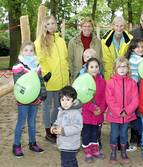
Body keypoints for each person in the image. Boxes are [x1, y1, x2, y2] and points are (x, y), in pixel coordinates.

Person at [35, 15, 69, 143]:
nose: (51, 26)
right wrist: (45, 73)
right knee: (47, 107)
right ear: (44, 26)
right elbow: (39, 60)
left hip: (61, 80)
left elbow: (64, 59)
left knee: (58, 107)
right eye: (48, 24)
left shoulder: (60, 40)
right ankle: (48, 131)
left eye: (53, 23)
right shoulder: (39, 42)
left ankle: (54, 129)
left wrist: (66, 74)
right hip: (49, 80)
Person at [12, 41, 46, 157]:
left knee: (32, 122)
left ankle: (32, 143)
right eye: (26, 50)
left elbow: (40, 81)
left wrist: (43, 93)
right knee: (21, 123)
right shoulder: (18, 66)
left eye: (31, 50)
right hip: (23, 100)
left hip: (35, 99)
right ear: (22, 51)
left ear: (34, 52)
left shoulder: (37, 66)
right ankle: (16, 145)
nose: (28, 53)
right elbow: (19, 83)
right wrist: (24, 96)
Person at [105, 57, 139, 164]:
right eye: (119, 66)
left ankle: (124, 152)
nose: (122, 69)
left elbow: (135, 99)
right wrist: (119, 111)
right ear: (115, 68)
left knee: (124, 134)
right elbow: (109, 99)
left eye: (124, 66)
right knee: (114, 134)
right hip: (115, 115)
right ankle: (113, 152)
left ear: (128, 68)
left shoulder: (132, 83)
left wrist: (127, 111)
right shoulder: (110, 83)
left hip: (127, 116)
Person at [81, 58, 107, 163]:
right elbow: (82, 98)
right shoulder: (83, 82)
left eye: (96, 67)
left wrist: (101, 109)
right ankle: (87, 151)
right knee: (86, 133)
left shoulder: (102, 81)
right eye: (91, 67)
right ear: (87, 69)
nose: (94, 69)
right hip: (87, 114)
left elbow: (105, 97)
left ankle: (95, 150)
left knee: (95, 133)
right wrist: (92, 108)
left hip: (98, 114)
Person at [51, 86, 82, 167]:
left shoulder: (75, 113)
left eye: (68, 100)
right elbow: (57, 121)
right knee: (71, 161)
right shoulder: (61, 110)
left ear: (74, 101)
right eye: (62, 100)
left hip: (70, 144)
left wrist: (63, 130)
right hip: (63, 143)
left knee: (66, 163)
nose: (65, 102)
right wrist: (54, 127)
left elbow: (78, 127)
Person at [68, 17, 102, 82]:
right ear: (81, 27)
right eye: (84, 26)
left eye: (89, 26)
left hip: (94, 75)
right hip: (78, 75)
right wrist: (73, 75)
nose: (87, 28)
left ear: (92, 28)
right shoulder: (73, 42)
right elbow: (70, 60)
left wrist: (99, 74)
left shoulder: (98, 42)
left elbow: (100, 59)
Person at [101, 16, 133, 80]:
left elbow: (129, 58)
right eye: (116, 25)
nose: (119, 28)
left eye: (121, 26)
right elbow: (107, 61)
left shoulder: (130, 39)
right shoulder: (105, 40)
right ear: (113, 26)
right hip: (110, 73)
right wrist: (111, 77)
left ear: (124, 27)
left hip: (125, 72)